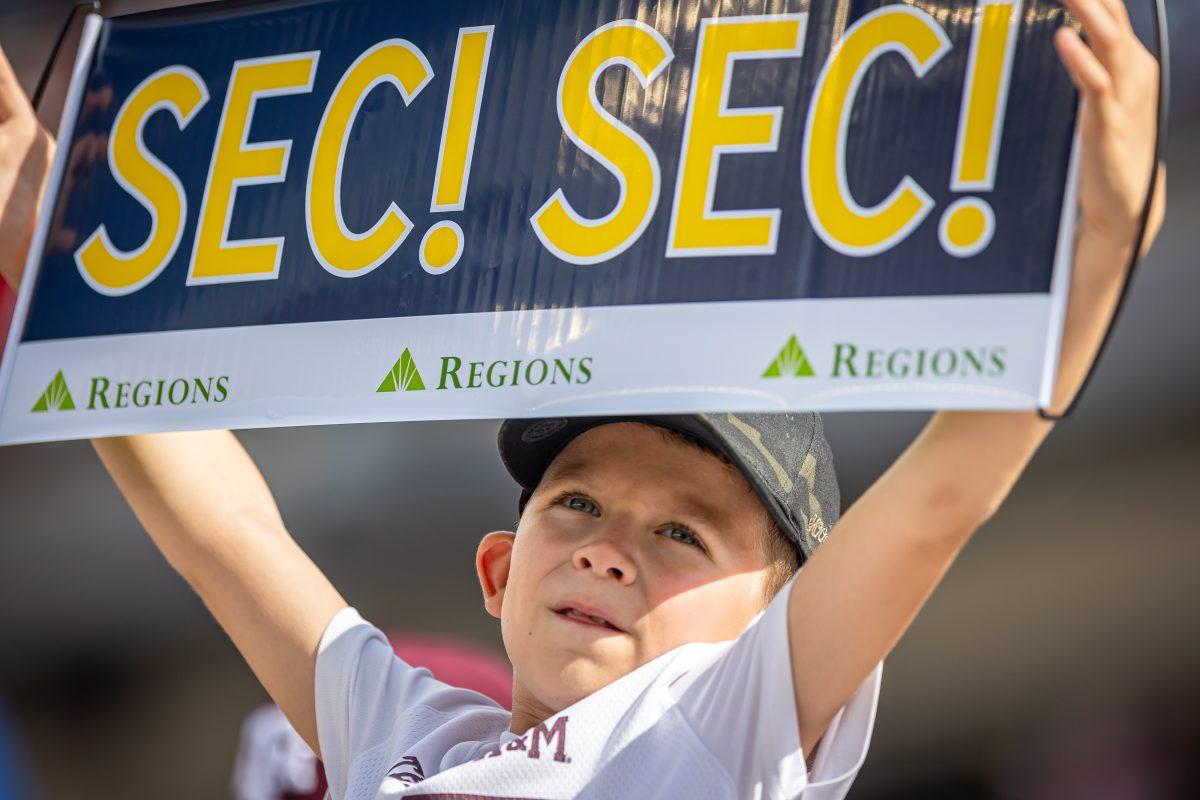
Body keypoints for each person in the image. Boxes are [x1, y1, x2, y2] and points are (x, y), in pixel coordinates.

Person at [0, 1, 1167, 797]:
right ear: (499, 570)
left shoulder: (728, 727)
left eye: (680, 530)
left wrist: (1096, 263)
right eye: (575, 505)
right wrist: (54, 258)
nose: (611, 550)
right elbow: (222, 528)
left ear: (785, 632)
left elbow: (936, 502)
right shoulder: (404, 729)